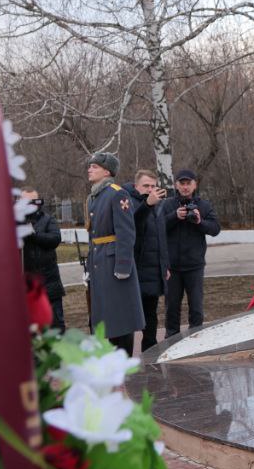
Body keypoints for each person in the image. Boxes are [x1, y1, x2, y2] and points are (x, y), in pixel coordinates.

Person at [85, 152, 144, 354]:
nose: (89, 169)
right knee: (105, 317)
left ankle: (125, 361)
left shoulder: (117, 193)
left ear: (107, 171)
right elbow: (93, 236)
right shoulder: (94, 197)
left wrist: (123, 266)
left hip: (113, 263)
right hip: (98, 262)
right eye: (90, 166)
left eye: (94, 166)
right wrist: (88, 266)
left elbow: (126, 233)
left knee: (121, 317)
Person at [161, 169, 220, 338]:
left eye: (189, 183)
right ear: (176, 185)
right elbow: (157, 229)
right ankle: (171, 340)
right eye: (182, 183)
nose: (185, 187)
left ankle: (196, 339)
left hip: (194, 266)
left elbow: (215, 229)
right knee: (172, 307)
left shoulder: (204, 205)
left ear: (195, 185)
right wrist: (174, 216)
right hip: (172, 267)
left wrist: (200, 221)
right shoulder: (167, 205)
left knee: (196, 308)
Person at [127, 169, 168, 351]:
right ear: (136, 186)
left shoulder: (158, 205)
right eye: (146, 186)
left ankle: (150, 350)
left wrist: (164, 265)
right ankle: (124, 355)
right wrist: (147, 205)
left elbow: (161, 236)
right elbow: (133, 225)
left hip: (153, 268)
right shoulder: (127, 202)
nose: (150, 190)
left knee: (151, 313)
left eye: (153, 186)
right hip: (135, 268)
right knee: (130, 316)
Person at [20, 187, 65, 332]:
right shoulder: (14, 222)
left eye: (34, 201)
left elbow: (55, 239)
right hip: (27, 285)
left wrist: (34, 235)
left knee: (56, 327)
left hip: (49, 282)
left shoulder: (47, 219)